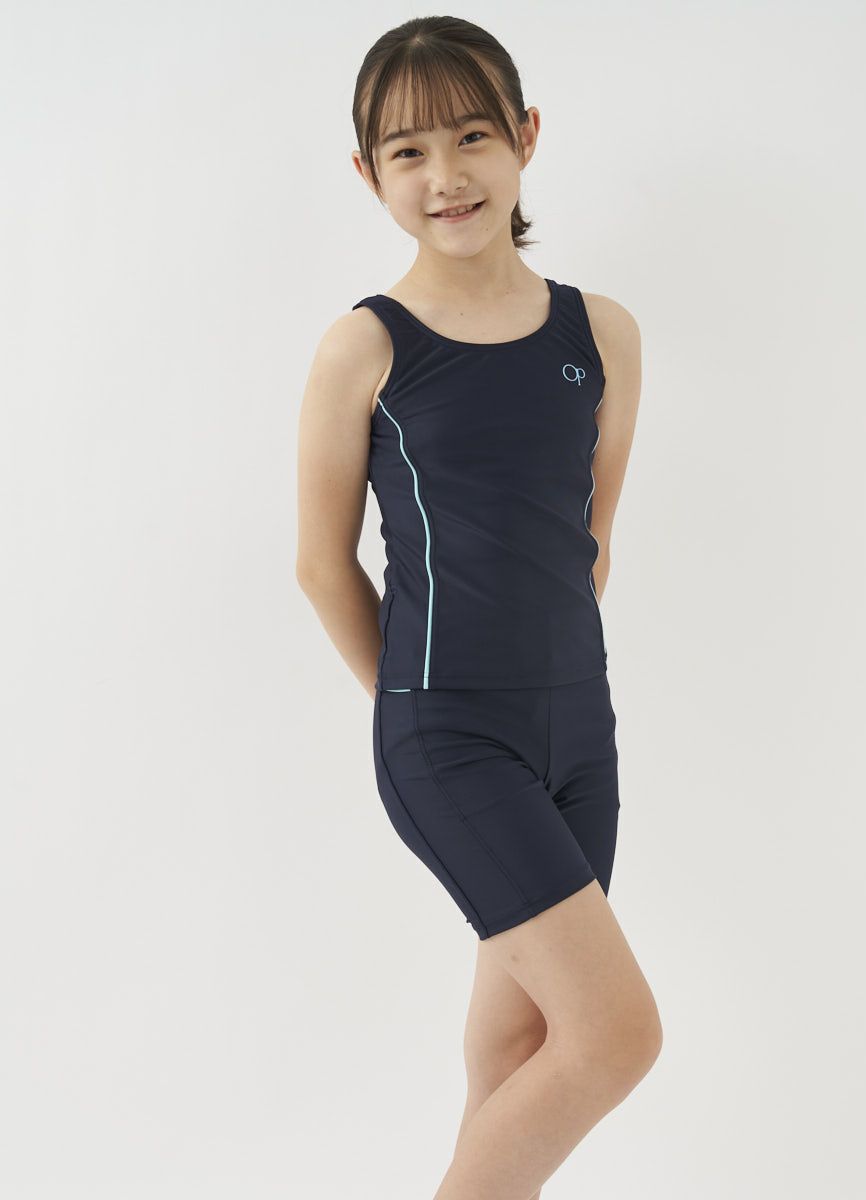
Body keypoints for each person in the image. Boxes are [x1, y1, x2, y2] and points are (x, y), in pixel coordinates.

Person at [296, 16, 660, 1199]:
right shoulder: (365, 347)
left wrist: (545, 689)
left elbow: (587, 539)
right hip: (447, 731)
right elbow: (322, 565)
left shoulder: (602, 334)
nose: (444, 175)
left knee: (524, 1047)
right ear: (369, 174)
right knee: (615, 1036)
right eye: (407, 152)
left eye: (470, 137)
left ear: (525, 139)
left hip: (579, 732)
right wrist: (420, 714)